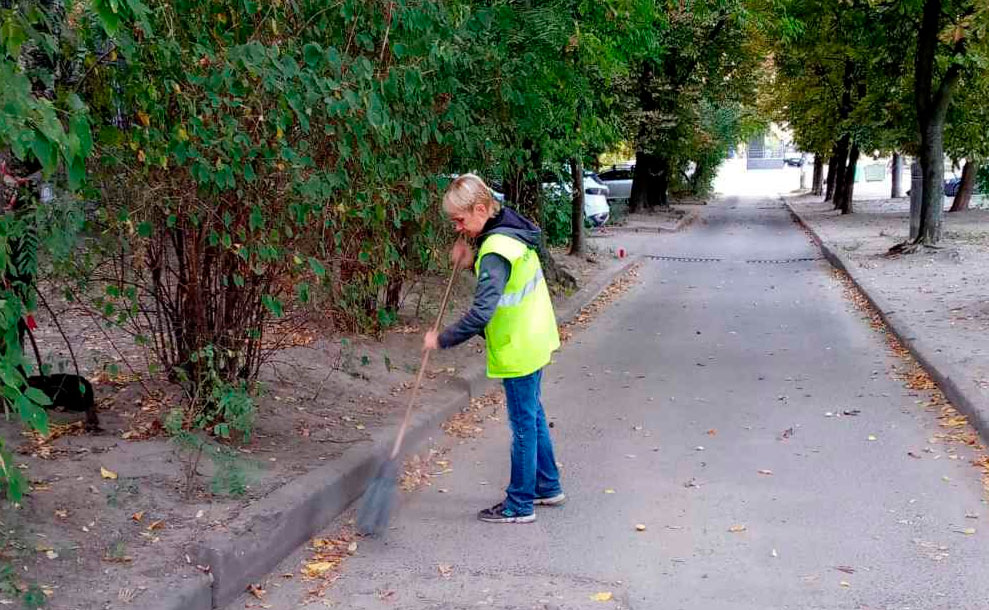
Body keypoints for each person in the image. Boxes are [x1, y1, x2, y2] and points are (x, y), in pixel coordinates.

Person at [423, 173, 564, 523]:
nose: (457, 227)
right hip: (535, 336)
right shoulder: (508, 228)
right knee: (532, 415)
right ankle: (548, 486)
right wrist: (470, 261)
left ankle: (519, 504)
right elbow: (503, 280)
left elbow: (482, 312)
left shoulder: (495, 250)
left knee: (523, 425)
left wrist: (441, 339)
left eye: (460, 219)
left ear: (482, 208)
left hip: (518, 346)